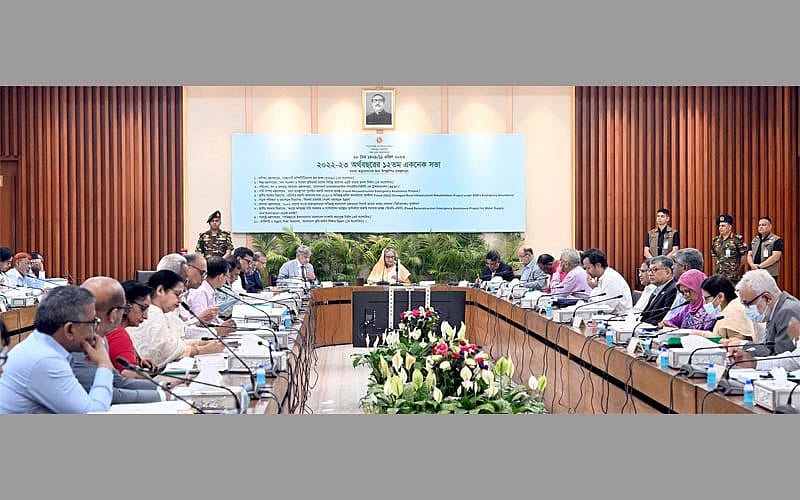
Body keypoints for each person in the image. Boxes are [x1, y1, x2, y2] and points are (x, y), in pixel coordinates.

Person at [0, 286, 114, 413]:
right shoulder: (45, 360)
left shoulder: (39, 344)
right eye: (93, 323)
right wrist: (104, 365)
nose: (96, 331)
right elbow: (94, 414)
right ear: (69, 329)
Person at [71, 276, 163, 404]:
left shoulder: (101, 338)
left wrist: (164, 387)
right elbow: (101, 396)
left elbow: (118, 381)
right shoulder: (81, 342)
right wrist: (163, 395)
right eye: (124, 308)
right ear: (114, 314)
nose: (146, 316)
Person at [127, 270, 224, 369]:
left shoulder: (163, 313)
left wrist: (200, 343)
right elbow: (163, 350)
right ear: (160, 290)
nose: (180, 300)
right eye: (177, 294)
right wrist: (201, 350)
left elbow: (176, 341)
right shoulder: (151, 312)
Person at [725, 269, 800, 357]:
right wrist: (742, 344)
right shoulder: (774, 309)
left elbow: (781, 358)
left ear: (767, 298)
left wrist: (743, 345)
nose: (746, 309)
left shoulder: (787, 312)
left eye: (748, 304)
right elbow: (768, 348)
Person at [106, 280, 159, 376]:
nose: (146, 316)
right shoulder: (118, 334)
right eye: (143, 308)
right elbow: (130, 375)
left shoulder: (111, 329)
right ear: (126, 305)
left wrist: (140, 363)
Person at [690, 274, 761, 341]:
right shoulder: (731, 306)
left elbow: (736, 344)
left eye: (707, 299)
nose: (705, 303)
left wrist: (705, 336)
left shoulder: (734, 310)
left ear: (720, 296)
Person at [580, 248, 632, 315]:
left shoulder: (611, 278)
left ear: (598, 265)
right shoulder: (602, 277)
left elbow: (608, 308)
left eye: (588, 268)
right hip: (610, 316)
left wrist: (594, 289)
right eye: (585, 268)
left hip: (620, 318)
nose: (587, 272)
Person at [187, 257, 234, 326]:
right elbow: (201, 321)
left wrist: (224, 324)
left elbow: (214, 319)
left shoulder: (210, 290)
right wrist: (220, 328)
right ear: (221, 277)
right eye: (227, 276)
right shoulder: (200, 292)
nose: (226, 280)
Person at [663, 247, 704, 323]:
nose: (672, 267)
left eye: (675, 263)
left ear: (684, 267)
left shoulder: (703, 290)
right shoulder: (680, 286)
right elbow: (672, 319)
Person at [638, 255, 678, 325]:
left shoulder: (673, 290)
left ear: (667, 272)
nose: (650, 274)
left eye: (655, 270)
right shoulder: (657, 289)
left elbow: (664, 318)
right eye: (649, 270)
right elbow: (646, 315)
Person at [711, 213, 747, 284]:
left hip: (732, 276)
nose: (720, 228)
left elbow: (743, 256)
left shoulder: (737, 239)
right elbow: (715, 256)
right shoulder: (716, 240)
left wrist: (737, 267)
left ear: (730, 227)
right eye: (719, 226)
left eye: (723, 226)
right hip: (719, 274)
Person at [747, 216, 783, 282]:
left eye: (763, 225)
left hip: (769, 274)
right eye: (759, 225)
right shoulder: (755, 240)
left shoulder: (776, 240)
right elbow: (749, 254)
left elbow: (775, 257)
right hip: (755, 273)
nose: (761, 227)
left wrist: (760, 266)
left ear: (770, 226)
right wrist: (752, 264)